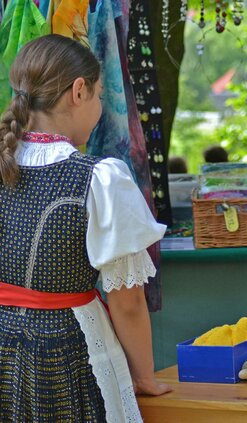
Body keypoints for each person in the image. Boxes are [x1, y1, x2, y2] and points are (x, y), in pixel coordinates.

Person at [0, 34, 171, 421]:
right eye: (98, 96)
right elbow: (127, 302)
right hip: (66, 356)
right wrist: (144, 378)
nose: (98, 109)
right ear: (79, 91)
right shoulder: (99, 179)